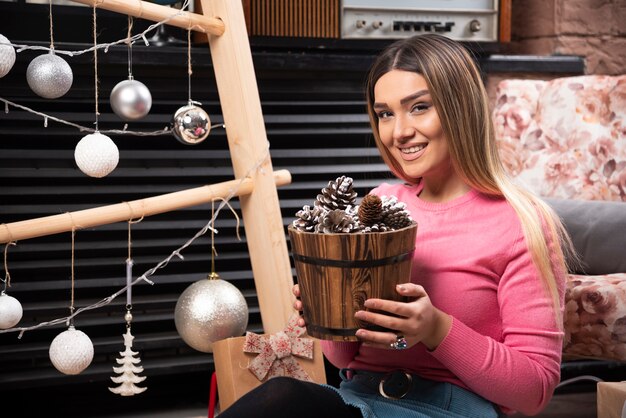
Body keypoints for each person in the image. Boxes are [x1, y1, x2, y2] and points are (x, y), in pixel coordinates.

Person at [217, 33, 577, 418]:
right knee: (283, 396)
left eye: (419, 107)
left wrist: (436, 328)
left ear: (461, 108)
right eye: (385, 113)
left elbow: (534, 391)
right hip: (357, 399)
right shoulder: (382, 203)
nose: (399, 132)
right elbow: (342, 358)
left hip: (450, 409)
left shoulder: (521, 223)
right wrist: (328, 313)